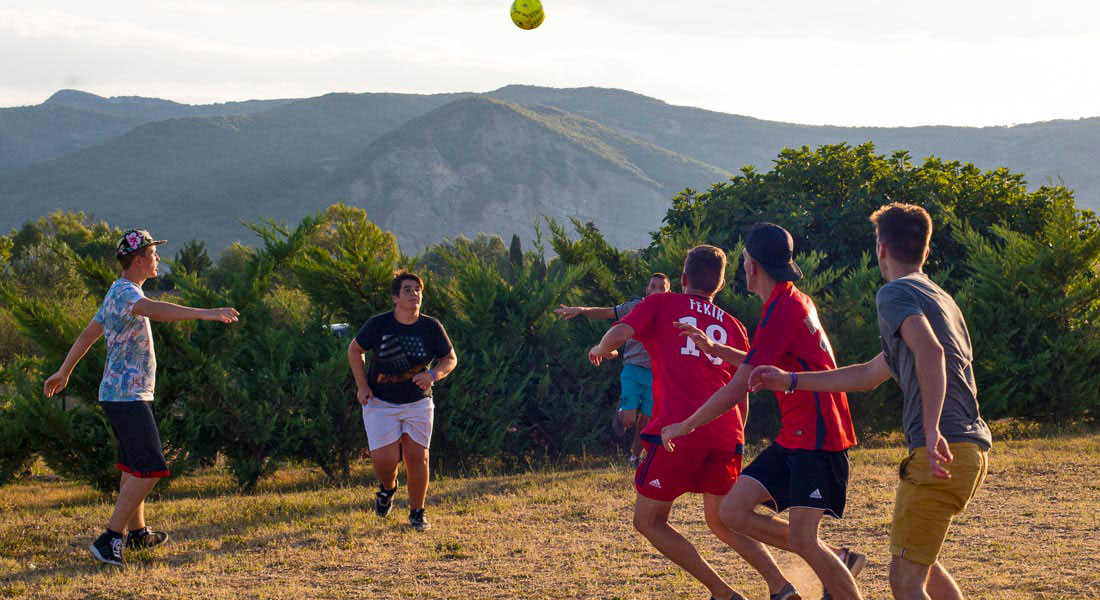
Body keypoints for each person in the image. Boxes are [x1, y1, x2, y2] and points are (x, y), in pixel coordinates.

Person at [747, 204, 991, 600]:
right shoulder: (941, 299)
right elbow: (866, 375)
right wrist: (791, 380)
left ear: (880, 249)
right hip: (970, 449)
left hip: (941, 447)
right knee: (922, 567)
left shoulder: (895, 293)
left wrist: (930, 431)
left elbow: (931, 353)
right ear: (925, 252)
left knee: (905, 582)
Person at [662, 224, 866, 600]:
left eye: (743, 261)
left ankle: (834, 567)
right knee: (733, 511)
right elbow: (764, 364)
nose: (743, 268)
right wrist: (719, 350)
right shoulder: (790, 299)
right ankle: (836, 560)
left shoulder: (783, 309)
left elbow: (737, 387)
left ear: (753, 266)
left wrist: (686, 425)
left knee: (805, 539)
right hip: (797, 435)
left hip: (819, 439)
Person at [588, 245, 799, 600]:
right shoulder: (733, 325)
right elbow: (740, 389)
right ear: (718, 286)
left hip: (678, 430)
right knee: (722, 521)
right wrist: (738, 436)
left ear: (683, 279)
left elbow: (620, 333)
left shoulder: (662, 302)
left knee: (649, 521)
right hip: (727, 430)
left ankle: (723, 593)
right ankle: (782, 587)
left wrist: (600, 349)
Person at [43, 229, 239, 566]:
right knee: (149, 467)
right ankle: (110, 538)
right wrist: (205, 312)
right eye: (153, 253)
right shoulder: (126, 293)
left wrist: (64, 371)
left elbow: (90, 333)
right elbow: (154, 309)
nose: (157, 258)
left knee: (132, 467)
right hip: (125, 396)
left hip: (128, 395)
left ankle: (138, 534)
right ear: (137, 260)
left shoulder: (119, 292)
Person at [348, 270, 457, 532]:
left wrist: (433, 375)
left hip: (417, 403)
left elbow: (450, 359)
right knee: (384, 460)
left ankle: (417, 512)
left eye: (418, 290)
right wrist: (362, 386)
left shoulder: (431, 327)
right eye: (407, 290)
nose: (414, 294)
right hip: (380, 402)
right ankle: (388, 488)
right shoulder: (378, 324)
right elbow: (355, 350)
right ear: (395, 297)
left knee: (417, 457)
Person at [555, 273, 671, 464]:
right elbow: (607, 312)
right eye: (653, 286)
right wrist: (582, 309)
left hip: (657, 374)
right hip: (633, 369)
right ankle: (620, 414)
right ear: (647, 289)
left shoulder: (672, 310)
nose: (657, 290)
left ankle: (634, 457)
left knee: (647, 421)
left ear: (668, 291)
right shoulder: (635, 306)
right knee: (628, 421)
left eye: (662, 287)